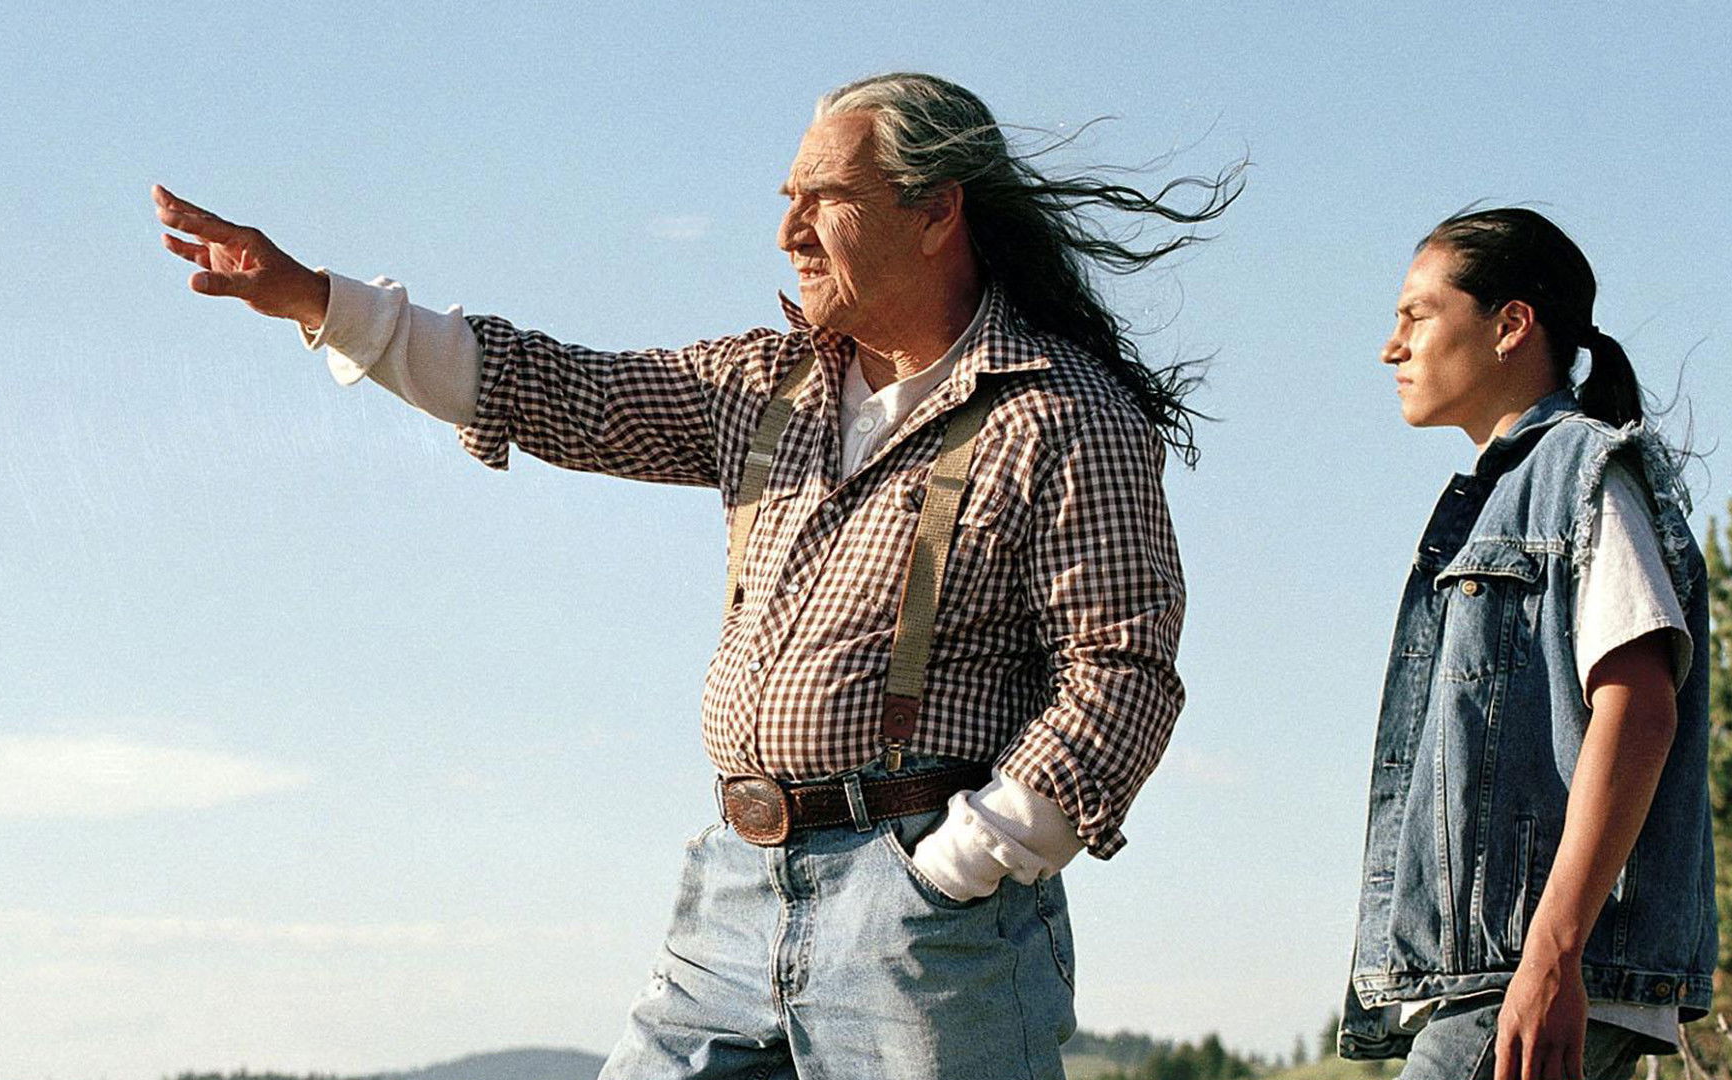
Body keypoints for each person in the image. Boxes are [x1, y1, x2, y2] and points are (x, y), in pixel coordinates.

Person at [155, 72, 1241, 1079]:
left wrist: (964, 862)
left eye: (823, 197)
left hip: (922, 916)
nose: (788, 230)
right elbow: (556, 391)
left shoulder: (1062, 414)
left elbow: (1121, 670)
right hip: (732, 892)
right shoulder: (762, 385)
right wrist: (317, 299)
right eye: (787, 198)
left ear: (935, 211)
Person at [1337, 208, 1716, 1080]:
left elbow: (1641, 707)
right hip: (1502, 974)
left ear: (1511, 324)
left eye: (1417, 315)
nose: (1392, 348)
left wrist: (1552, 954)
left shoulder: (1582, 470)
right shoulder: (1497, 498)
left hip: (1529, 971)